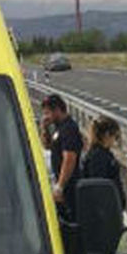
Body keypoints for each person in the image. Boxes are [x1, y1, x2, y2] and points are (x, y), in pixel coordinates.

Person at [82, 116, 127, 254]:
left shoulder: (103, 153)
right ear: (107, 135)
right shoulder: (97, 157)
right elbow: (99, 189)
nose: (115, 140)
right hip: (103, 217)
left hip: (111, 214)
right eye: (114, 136)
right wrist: (104, 216)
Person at [40, 93, 83, 221]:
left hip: (69, 186)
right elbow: (47, 146)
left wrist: (60, 186)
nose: (46, 117)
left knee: (70, 218)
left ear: (57, 110)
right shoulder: (58, 128)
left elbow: (69, 159)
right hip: (61, 182)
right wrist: (44, 128)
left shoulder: (69, 128)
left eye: (48, 113)